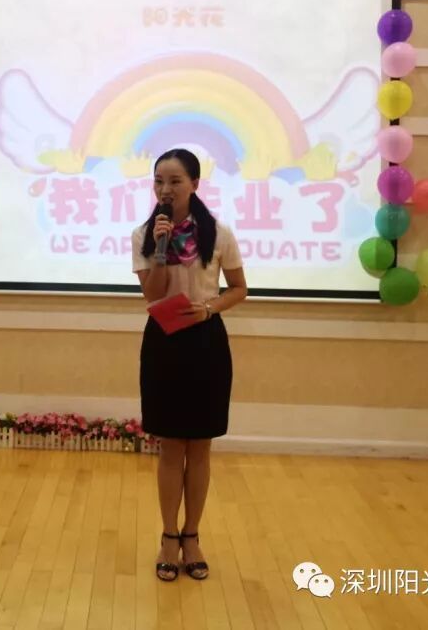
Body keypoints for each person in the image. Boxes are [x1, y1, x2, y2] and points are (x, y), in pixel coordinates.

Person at [131, 148, 248, 582]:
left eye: (175, 181)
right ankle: (168, 537)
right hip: (164, 341)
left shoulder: (218, 234)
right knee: (170, 445)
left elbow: (239, 288)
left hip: (205, 341)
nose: (165, 189)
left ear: (195, 184)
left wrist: (210, 308)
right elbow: (152, 293)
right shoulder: (145, 235)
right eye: (159, 181)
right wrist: (161, 248)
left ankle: (192, 536)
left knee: (199, 446)